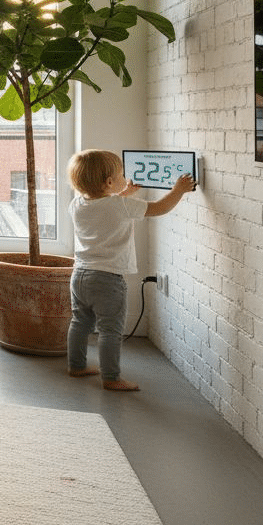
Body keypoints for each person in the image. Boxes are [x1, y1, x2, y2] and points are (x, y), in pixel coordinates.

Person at [67, 149, 194, 391]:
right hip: (107, 279)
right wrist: (178, 190)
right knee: (110, 330)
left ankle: (76, 365)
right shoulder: (121, 205)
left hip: (80, 275)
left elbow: (104, 208)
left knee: (79, 322)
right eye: (121, 174)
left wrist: (124, 193)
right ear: (109, 182)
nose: (125, 177)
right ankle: (112, 378)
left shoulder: (77, 204)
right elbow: (159, 208)